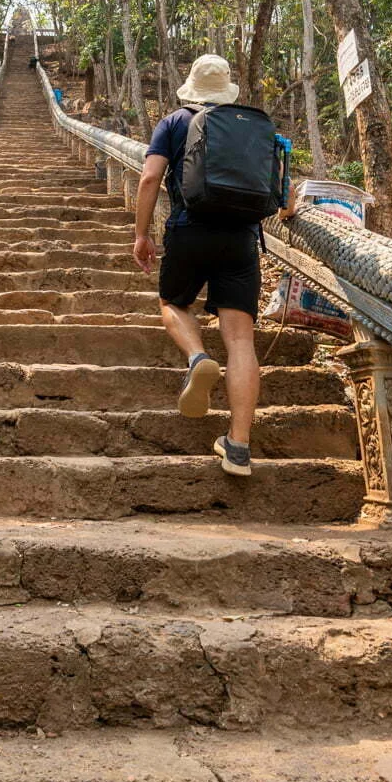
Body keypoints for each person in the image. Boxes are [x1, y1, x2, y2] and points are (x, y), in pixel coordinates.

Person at [131, 54, 293, 478]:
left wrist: (142, 235)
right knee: (240, 340)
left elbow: (150, 178)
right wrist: (292, 211)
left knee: (173, 303)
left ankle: (198, 356)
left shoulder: (174, 122)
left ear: (191, 87)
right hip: (241, 237)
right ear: (227, 90)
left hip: (189, 229)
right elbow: (282, 191)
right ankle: (238, 446)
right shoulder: (255, 127)